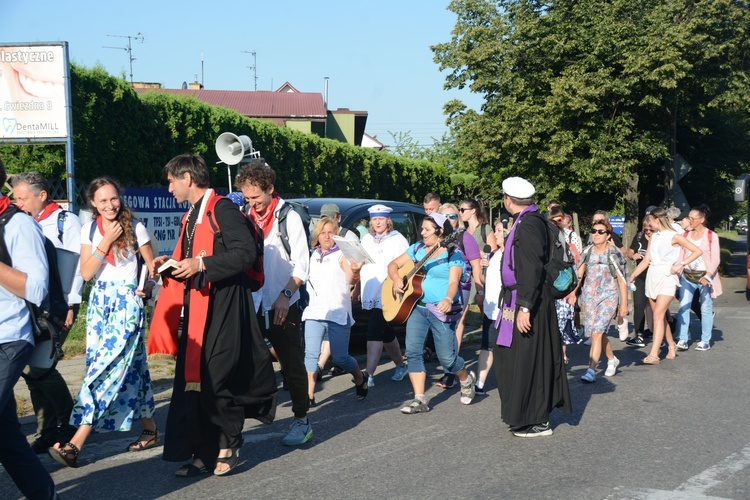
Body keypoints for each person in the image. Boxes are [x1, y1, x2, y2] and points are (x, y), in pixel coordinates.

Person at [148, 155, 277, 476]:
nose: (169, 188)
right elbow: (190, 260)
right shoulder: (191, 215)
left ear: (188, 178)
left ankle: (229, 442)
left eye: (171, 181)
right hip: (198, 306)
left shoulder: (221, 209)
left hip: (228, 306)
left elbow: (244, 253)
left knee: (217, 378)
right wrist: (171, 263)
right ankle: (203, 453)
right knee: (197, 382)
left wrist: (202, 264)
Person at [49, 177, 158, 468]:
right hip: (100, 305)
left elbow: (152, 266)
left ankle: (75, 443)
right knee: (133, 368)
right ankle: (150, 428)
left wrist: (147, 286)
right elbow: (85, 273)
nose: (110, 205)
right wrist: (106, 241)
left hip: (126, 305)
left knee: (103, 370)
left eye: (113, 199)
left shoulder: (136, 228)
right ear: (93, 204)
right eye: (103, 200)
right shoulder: (88, 229)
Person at [235, 158, 314, 447]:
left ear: (270, 188)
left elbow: (302, 267)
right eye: (247, 197)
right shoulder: (244, 215)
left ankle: (301, 419)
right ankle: (238, 423)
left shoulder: (288, 217)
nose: (251, 203)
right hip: (254, 302)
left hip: (284, 303)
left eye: (256, 197)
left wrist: (286, 296)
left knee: (291, 365)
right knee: (246, 363)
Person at [0, 160, 60, 498]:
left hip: (9, 336)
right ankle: (41, 491)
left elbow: (36, 289)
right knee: (6, 434)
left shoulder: (18, 225)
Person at [494, 177, 571, 438]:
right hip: (517, 299)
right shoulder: (527, 220)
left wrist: (524, 307)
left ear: (508, 200)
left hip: (528, 302)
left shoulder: (528, 225)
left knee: (530, 361)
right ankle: (523, 414)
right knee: (514, 358)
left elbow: (531, 267)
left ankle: (537, 419)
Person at [11, 171, 82, 453]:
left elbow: (78, 267)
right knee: (30, 369)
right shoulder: (23, 222)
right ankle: (46, 429)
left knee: (41, 367)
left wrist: (72, 306)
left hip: (57, 306)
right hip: (30, 305)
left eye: (22, 197)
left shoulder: (67, 221)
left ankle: (68, 421)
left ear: (41, 195)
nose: (17, 203)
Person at [387, 213, 476, 413]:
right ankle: (420, 399)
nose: (422, 232)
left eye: (427, 229)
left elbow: (454, 282)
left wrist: (447, 298)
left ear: (440, 231)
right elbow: (393, 265)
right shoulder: (417, 248)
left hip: (441, 310)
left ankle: (465, 378)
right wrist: (396, 279)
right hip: (417, 307)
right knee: (412, 351)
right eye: (422, 229)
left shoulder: (453, 252)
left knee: (447, 359)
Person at [302, 217, 368, 405]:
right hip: (315, 312)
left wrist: (355, 272)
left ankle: (360, 377)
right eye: (323, 232)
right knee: (311, 355)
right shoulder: (312, 255)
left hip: (338, 312)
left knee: (341, 357)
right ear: (317, 235)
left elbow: (351, 279)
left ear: (336, 234)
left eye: (330, 232)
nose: (326, 236)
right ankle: (309, 395)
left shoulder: (341, 255)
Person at [629, 207, 702, 364]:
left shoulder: (674, 236)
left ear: (657, 220)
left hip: (668, 277)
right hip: (652, 276)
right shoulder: (654, 237)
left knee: (658, 315)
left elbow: (696, 251)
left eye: (650, 222)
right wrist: (634, 274)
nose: (648, 227)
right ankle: (671, 345)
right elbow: (647, 260)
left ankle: (654, 354)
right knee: (659, 316)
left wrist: (679, 265)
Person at [358, 204, 409, 387]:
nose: (377, 222)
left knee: (374, 331)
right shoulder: (366, 239)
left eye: (381, 218)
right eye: (374, 219)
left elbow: (407, 266)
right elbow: (360, 265)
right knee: (385, 332)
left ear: (388, 220)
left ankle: (368, 375)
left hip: (388, 293)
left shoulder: (398, 240)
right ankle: (401, 365)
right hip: (370, 291)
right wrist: (356, 288)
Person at [434, 203, 483, 389]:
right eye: (444, 216)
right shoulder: (436, 239)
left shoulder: (464, 237)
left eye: (453, 216)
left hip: (461, 287)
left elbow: (476, 266)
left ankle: (450, 372)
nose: (449, 220)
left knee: (456, 325)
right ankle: (451, 365)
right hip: (439, 287)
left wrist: (479, 291)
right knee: (441, 327)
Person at [577, 219, 629, 382]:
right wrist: (572, 294)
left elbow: (622, 280)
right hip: (589, 297)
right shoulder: (587, 252)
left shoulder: (614, 253)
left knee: (598, 333)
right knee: (597, 332)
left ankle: (591, 370)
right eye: (594, 231)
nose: (596, 234)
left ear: (608, 236)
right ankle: (612, 359)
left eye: (600, 232)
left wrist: (624, 305)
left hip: (608, 296)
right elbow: (579, 275)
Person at [675, 204, 722, 351]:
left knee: (706, 308)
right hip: (687, 275)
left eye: (693, 218)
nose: (690, 221)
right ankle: (683, 338)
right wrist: (677, 273)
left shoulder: (711, 236)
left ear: (702, 219)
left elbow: (715, 259)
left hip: (704, 276)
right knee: (684, 306)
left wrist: (708, 277)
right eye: (689, 218)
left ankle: (705, 340)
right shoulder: (685, 235)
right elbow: (681, 256)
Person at [549, 207, 581, 363]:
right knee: (554, 322)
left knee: (562, 321)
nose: (557, 222)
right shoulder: (546, 240)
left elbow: (575, 269)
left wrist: (574, 292)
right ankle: (555, 352)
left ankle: (562, 352)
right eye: (554, 219)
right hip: (550, 289)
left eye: (560, 219)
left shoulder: (571, 243)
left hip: (564, 289)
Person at [476, 218, 505, 394]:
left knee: (505, 348)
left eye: (501, 230)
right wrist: (482, 268)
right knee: (486, 345)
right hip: (490, 308)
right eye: (496, 230)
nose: (496, 234)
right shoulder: (493, 255)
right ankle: (479, 384)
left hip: (506, 310)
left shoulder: (513, 255)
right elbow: (486, 281)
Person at [625, 215, 655, 348]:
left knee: (657, 308)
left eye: (650, 229)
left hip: (655, 276)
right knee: (639, 305)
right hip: (640, 276)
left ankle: (664, 332)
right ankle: (639, 335)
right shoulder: (639, 237)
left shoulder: (660, 238)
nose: (648, 231)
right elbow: (629, 252)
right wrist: (633, 256)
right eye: (645, 228)